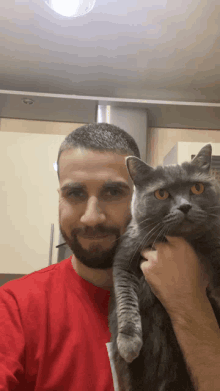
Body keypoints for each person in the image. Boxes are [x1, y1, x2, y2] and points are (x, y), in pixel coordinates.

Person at [0, 123, 219, 391]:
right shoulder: (13, 310)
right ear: (59, 197)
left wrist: (190, 303)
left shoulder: (206, 283)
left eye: (114, 192)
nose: (92, 217)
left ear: (138, 196)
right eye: (75, 193)